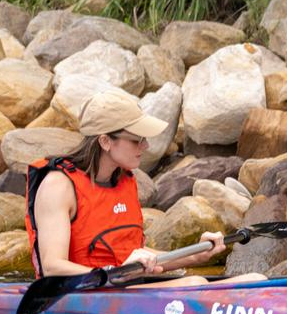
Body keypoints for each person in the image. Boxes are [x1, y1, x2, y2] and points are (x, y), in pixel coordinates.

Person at [25, 89, 260, 287]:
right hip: (78, 295)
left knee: (253, 280)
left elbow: (135, 258)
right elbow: (53, 267)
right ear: (105, 141)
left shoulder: (124, 180)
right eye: (136, 139)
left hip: (122, 287)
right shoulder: (58, 186)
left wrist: (194, 255)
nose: (145, 146)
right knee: (193, 284)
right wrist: (116, 270)